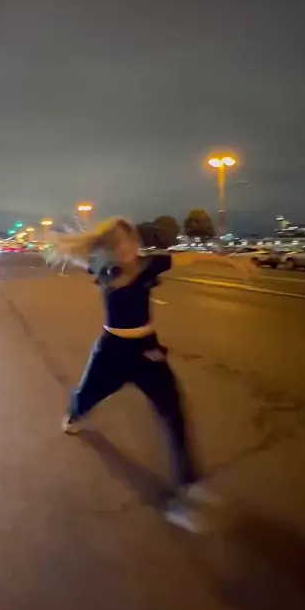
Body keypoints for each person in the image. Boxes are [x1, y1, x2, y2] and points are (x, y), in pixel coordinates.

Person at [49, 218, 255, 532]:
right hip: (111, 354)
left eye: (129, 241)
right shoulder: (102, 267)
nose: (126, 249)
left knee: (174, 414)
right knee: (86, 396)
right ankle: (74, 413)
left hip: (148, 354)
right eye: (118, 244)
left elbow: (192, 258)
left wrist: (230, 262)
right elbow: (77, 256)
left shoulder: (150, 265)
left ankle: (187, 487)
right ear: (109, 248)